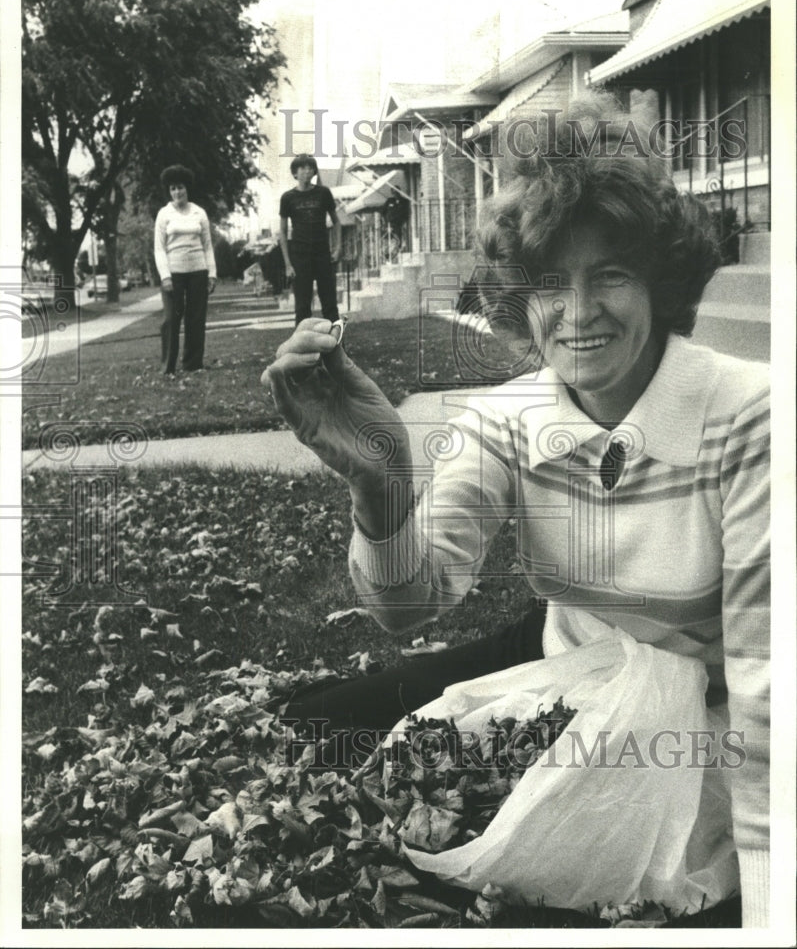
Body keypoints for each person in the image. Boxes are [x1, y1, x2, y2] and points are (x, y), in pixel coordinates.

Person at [262, 94, 769, 927]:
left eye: (609, 272)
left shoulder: (750, 416)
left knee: (591, 897)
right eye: (547, 281)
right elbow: (408, 606)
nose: (577, 313)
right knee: (314, 724)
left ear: (660, 279)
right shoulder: (505, 416)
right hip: (567, 658)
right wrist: (381, 487)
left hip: (703, 707)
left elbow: (764, 684)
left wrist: (769, 901)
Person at [154, 164, 217, 374]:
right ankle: (168, 366)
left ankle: (193, 364)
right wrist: (165, 277)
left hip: (198, 271)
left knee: (196, 318)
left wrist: (212, 274)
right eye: (172, 189)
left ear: (186, 188)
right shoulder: (164, 214)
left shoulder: (199, 212)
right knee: (171, 319)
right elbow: (159, 249)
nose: (177, 192)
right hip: (174, 274)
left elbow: (208, 246)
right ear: (168, 191)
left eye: (180, 187)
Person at [279, 154, 341, 325]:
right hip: (299, 257)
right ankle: (303, 349)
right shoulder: (288, 198)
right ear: (295, 173)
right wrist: (288, 264)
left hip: (322, 255)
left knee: (330, 304)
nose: (307, 171)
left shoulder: (323, 193)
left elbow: (337, 222)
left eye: (310, 168)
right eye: (302, 168)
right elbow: (283, 232)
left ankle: (337, 347)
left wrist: (337, 248)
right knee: (302, 307)